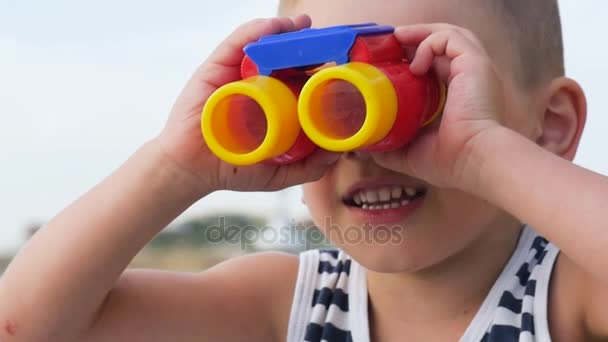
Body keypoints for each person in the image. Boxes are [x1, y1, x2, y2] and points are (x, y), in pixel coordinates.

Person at [1, 0, 606, 341]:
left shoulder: (569, 293)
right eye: (315, 101)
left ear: (548, 126)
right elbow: (26, 326)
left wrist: (479, 150)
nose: (361, 146)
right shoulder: (288, 303)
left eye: (429, 93)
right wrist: (177, 164)